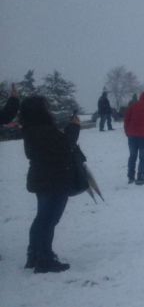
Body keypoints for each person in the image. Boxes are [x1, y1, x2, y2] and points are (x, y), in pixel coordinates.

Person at [19, 95, 80, 273]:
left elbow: (56, 146)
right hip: (54, 179)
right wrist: (74, 127)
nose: (48, 109)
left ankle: (34, 254)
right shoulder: (43, 129)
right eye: (45, 106)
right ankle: (44, 258)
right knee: (49, 220)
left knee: (42, 218)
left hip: (42, 177)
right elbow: (64, 147)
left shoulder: (31, 128)